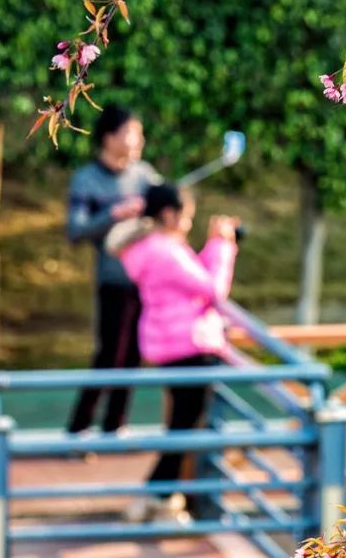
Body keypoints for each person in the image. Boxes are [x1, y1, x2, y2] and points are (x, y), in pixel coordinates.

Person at [106, 183, 239, 522]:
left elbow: (195, 282)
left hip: (170, 343)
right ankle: (157, 495)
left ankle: (159, 495)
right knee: (184, 426)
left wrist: (214, 245)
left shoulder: (151, 249)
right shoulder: (165, 250)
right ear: (169, 214)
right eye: (187, 216)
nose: (189, 223)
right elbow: (213, 288)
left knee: (182, 423)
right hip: (189, 344)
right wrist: (222, 245)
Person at [65, 106, 160, 436]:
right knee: (109, 354)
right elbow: (76, 231)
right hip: (113, 280)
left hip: (144, 280)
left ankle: (115, 426)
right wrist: (114, 214)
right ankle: (79, 428)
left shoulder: (144, 175)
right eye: (132, 133)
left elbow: (165, 207)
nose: (139, 140)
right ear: (109, 138)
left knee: (133, 355)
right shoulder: (86, 179)